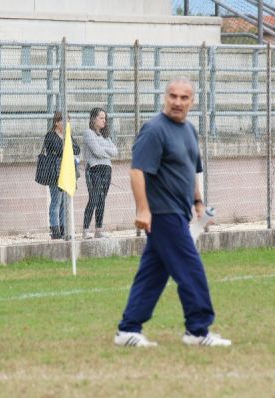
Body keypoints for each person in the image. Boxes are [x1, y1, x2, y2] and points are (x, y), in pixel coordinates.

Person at [114, 77, 231, 348]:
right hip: (163, 214)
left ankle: (128, 329)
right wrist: (143, 209)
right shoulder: (155, 130)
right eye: (173, 96)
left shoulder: (189, 130)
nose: (177, 102)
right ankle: (198, 331)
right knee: (191, 270)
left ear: (192, 101)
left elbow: (191, 170)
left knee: (152, 274)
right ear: (164, 97)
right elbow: (137, 171)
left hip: (179, 212)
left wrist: (199, 204)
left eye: (184, 97)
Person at [82, 107, 118, 239]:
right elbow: (96, 151)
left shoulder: (105, 136)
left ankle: (98, 230)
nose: (104, 121)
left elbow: (115, 152)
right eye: (101, 118)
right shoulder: (88, 133)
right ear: (93, 119)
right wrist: (106, 151)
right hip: (94, 169)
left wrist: (103, 149)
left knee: (102, 200)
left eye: (105, 118)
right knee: (94, 199)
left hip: (107, 169)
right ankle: (85, 231)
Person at [44, 111, 80, 239]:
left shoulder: (68, 135)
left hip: (67, 172)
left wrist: (67, 145)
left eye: (68, 121)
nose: (67, 123)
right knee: (56, 201)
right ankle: (55, 229)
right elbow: (58, 149)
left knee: (65, 202)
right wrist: (66, 147)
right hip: (55, 172)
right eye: (65, 121)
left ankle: (64, 228)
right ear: (57, 122)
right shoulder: (50, 136)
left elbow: (77, 149)